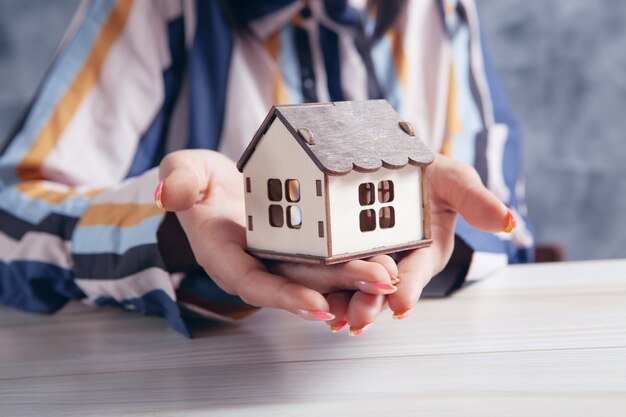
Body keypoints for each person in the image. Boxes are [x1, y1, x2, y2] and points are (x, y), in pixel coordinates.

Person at [0, 0, 533, 337]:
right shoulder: (156, 9)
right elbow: (10, 221)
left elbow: (501, 215)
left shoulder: (437, 10)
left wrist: (438, 227)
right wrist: (170, 233)